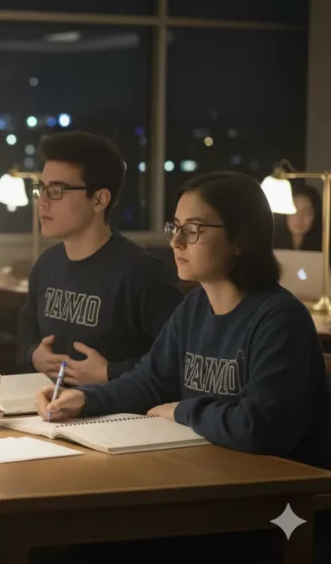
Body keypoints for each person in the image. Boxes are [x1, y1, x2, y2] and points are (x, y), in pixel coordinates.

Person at [39, 171, 331, 468]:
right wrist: (83, 399)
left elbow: (259, 428)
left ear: (240, 239)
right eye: (175, 227)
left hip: (281, 498)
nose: (176, 242)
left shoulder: (280, 319)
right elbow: (149, 382)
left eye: (193, 229)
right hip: (211, 472)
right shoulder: (195, 305)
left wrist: (182, 411)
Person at [21, 131, 185, 387]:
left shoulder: (142, 274)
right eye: (40, 189)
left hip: (121, 418)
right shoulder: (46, 265)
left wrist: (111, 373)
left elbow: (182, 361)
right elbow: (26, 331)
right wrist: (34, 354)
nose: (41, 203)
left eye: (55, 191)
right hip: (52, 409)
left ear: (99, 199)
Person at [273, 182, 323, 252]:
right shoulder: (271, 245)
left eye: (307, 212)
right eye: (293, 211)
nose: (299, 218)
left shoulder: (325, 248)